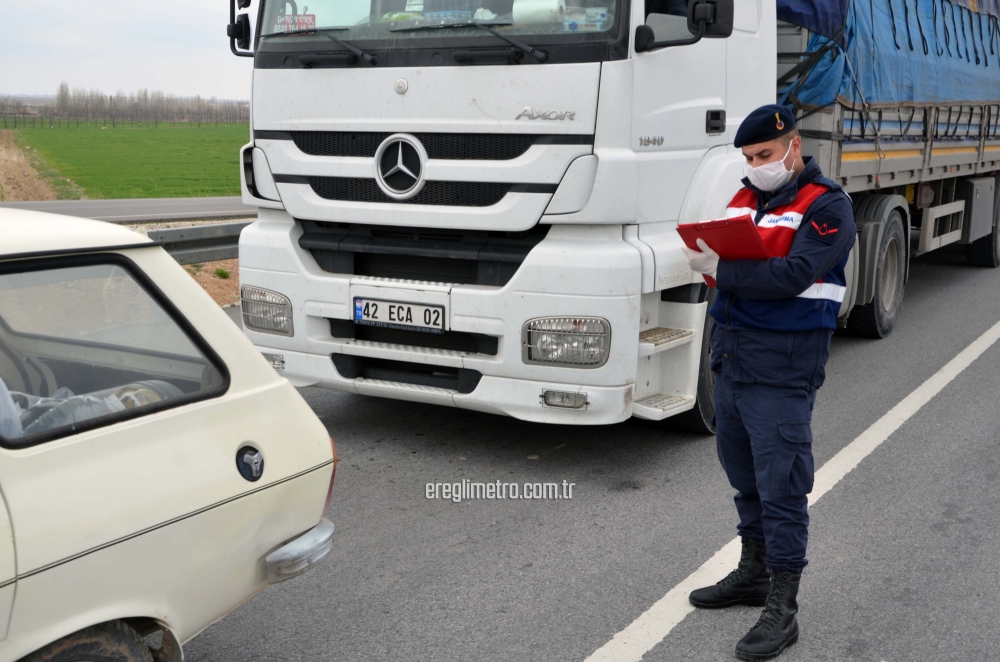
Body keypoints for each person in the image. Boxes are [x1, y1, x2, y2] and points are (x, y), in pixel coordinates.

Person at [681, 104, 855, 660]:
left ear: (793, 147)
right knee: (745, 477)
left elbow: (792, 275)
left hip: (782, 368)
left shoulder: (828, 206)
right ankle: (753, 571)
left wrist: (721, 269)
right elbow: (735, 264)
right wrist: (707, 258)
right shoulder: (746, 199)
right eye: (749, 158)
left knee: (782, 486)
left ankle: (783, 604)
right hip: (732, 360)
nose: (756, 166)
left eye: (764, 155)